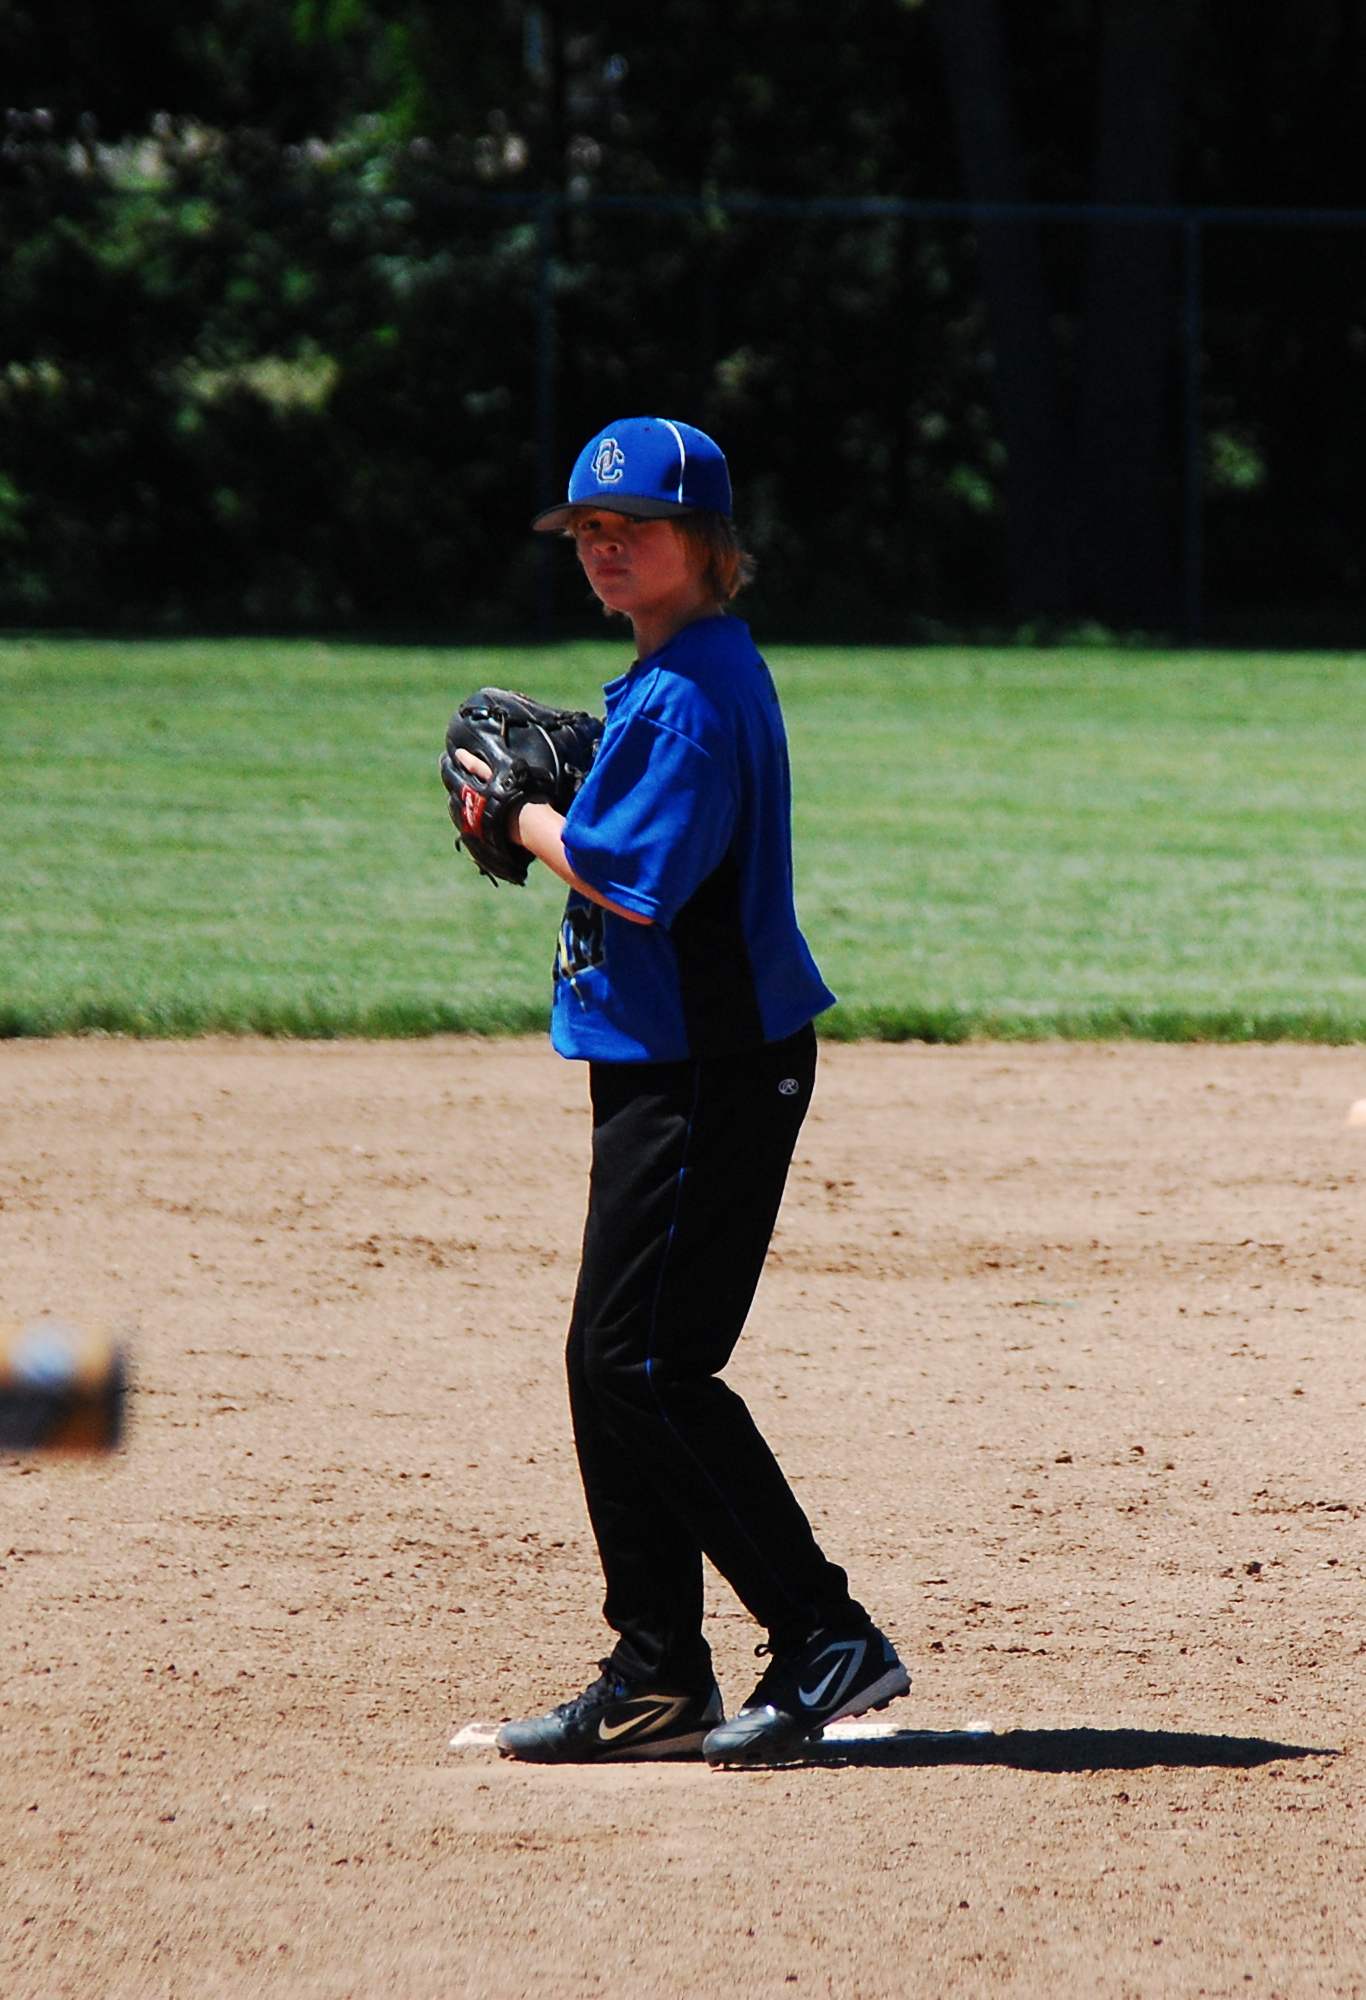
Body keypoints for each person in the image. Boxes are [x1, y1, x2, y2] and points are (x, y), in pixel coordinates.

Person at [482, 416, 907, 1768]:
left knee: (647, 1365)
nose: (604, 547)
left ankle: (825, 1632)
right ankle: (657, 1673)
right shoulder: (678, 674)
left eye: (635, 527)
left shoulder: (687, 691)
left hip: (710, 1070)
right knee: (610, 1363)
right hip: (673, 1061)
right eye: (587, 530)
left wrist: (514, 814)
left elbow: (632, 879)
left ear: (706, 542)